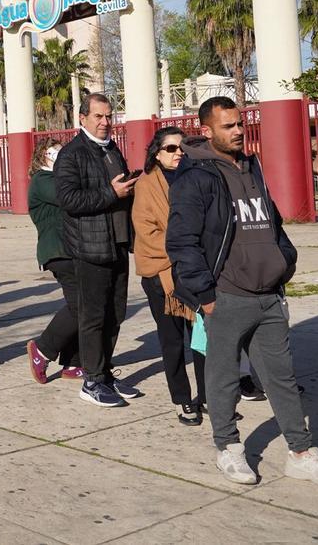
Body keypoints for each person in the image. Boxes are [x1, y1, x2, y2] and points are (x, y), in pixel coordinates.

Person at [167, 96, 318, 488]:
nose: (238, 131)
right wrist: (206, 295)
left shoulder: (251, 165)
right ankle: (229, 450)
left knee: (280, 377)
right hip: (227, 295)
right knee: (223, 377)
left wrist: (285, 259)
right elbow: (181, 242)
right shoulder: (195, 176)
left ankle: (301, 453)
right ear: (207, 131)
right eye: (228, 126)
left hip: (269, 294)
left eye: (239, 124)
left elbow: (271, 220)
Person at [54, 93, 141, 408]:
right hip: (90, 248)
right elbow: (69, 200)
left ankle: (104, 372)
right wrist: (111, 192)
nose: (105, 123)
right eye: (98, 117)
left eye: (109, 116)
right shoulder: (71, 154)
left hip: (117, 243)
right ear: (82, 119)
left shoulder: (112, 149)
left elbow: (119, 192)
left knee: (116, 313)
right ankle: (91, 379)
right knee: (94, 316)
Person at [132, 127, 204, 425]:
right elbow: (147, 231)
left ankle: (209, 395)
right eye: (171, 149)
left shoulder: (195, 178)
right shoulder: (147, 184)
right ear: (157, 153)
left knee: (202, 341)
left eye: (182, 148)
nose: (178, 154)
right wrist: (183, 248)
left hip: (197, 272)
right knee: (172, 341)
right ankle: (182, 400)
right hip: (162, 274)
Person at [26, 138, 84, 384]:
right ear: (43, 156)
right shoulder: (42, 180)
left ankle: (73, 362)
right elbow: (67, 197)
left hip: (74, 250)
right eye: (56, 153)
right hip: (58, 251)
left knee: (84, 305)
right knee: (79, 305)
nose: (61, 158)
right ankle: (43, 348)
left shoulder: (56, 178)